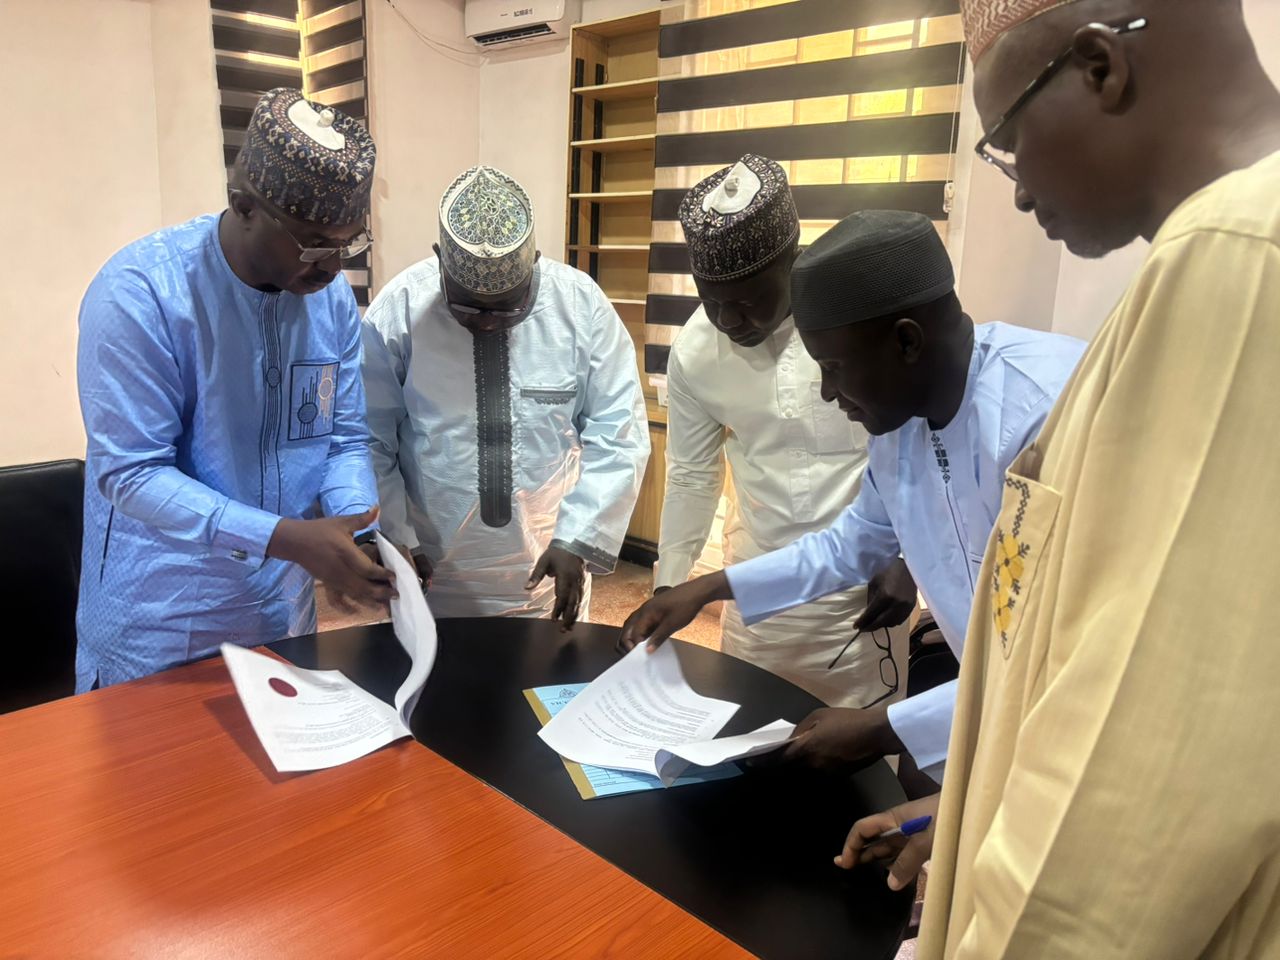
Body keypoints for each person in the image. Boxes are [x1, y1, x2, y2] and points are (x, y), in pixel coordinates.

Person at [838, 2, 1280, 957]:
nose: (1017, 194)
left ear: (1099, 67)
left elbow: (1135, 778)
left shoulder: (1238, 262)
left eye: (1004, 143)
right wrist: (962, 822)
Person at [621, 210, 1084, 783]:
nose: (826, 392)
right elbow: (850, 545)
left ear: (906, 341)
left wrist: (885, 728)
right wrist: (709, 587)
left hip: (1085, 736)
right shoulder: (901, 427)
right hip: (998, 714)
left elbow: (1063, 652)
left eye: (834, 368)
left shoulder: (1049, 414)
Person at [76, 88, 393, 691]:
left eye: (350, 243)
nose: (333, 267)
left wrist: (354, 531)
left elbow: (343, 438)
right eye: (313, 243)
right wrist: (285, 539)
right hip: (160, 625)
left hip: (280, 615)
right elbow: (132, 473)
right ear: (243, 205)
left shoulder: (329, 301)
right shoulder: (142, 294)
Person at [655, 155, 912, 708]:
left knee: (864, 747)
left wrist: (908, 555)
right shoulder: (695, 351)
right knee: (752, 733)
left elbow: (914, 440)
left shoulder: (857, 320)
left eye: (746, 301)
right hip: (759, 592)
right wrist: (670, 583)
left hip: (866, 589)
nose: (728, 320)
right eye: (711, 300)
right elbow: (692, 476)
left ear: (792, 262)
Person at [361, 165, 649, 627]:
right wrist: (395, 536)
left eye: (509, 307)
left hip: (549, 568)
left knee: (547, 672)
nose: (487, 322)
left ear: (535, 264)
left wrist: (578, 538)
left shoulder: (581, 307)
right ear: (440, 261)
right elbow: (368, 438)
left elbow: (620, 434)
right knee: (432, 671)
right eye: (467, 306)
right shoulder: (400, 311)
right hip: (429, 572)